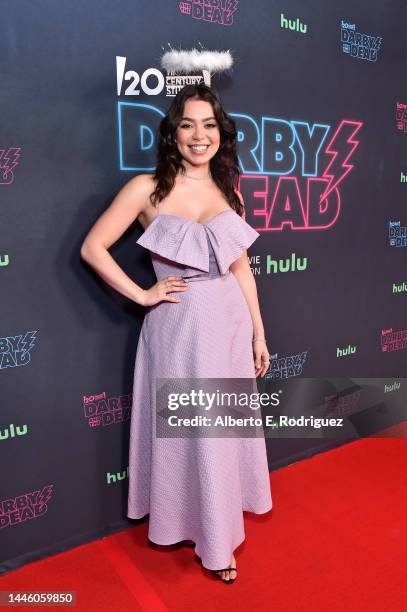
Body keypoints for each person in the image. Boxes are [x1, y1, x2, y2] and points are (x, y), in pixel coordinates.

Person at [80, 83, 272, 584]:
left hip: (227, 327)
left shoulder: (230, 191)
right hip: (179, 331)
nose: (198, 134)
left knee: (219, 432)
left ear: (221, 134)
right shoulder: (148, 189)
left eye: (209, 125)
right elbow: (93, 247)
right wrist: (142, 294)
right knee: (190, 431)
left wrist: (258, 334)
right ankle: (190, 524)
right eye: (187, 124)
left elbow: (242, 270)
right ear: (173, 133)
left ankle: (219, 536)